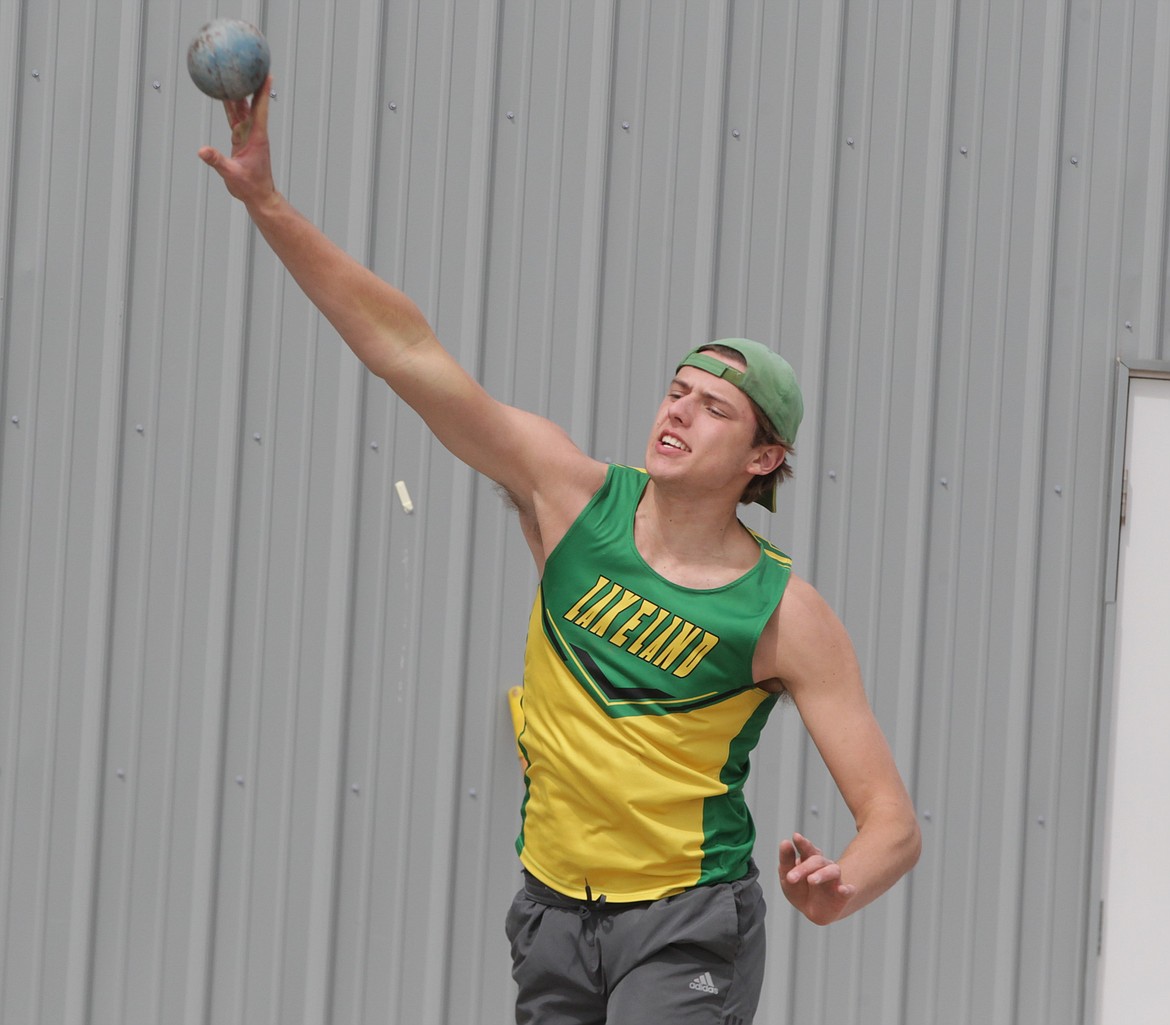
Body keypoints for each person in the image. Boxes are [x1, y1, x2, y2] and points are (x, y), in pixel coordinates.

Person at [200, 79, 921, 1025]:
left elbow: (894, 826)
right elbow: (404, 349)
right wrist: (268, 204)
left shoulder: (784, 614)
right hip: (550, 911)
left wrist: (841, 888)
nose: (679, 411)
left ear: (763, 457)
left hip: (687, 921)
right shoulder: (570, 496)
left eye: (715, 407)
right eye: (677, 389)